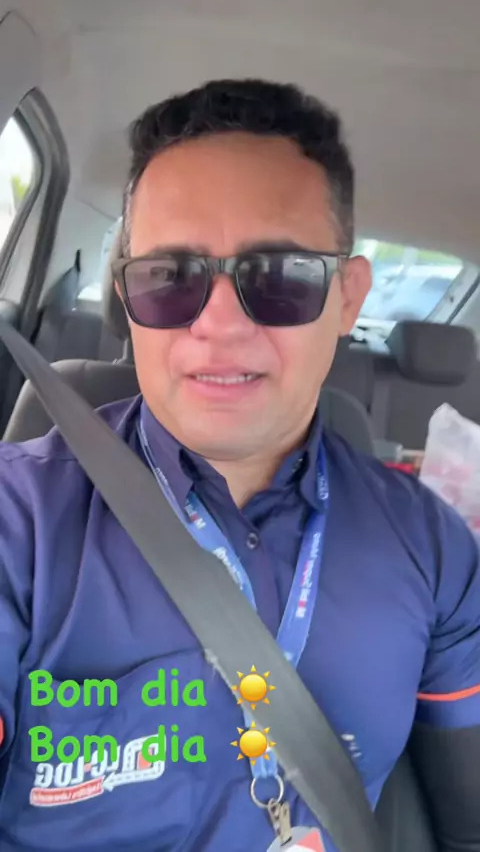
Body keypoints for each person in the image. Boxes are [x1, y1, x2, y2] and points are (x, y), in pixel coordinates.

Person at [0, 78, 479, 852]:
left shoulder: (435, 549)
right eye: (169, 278)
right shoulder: (17, 521)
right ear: (127, 299)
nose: (218, 324)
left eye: (281, 276)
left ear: (348, 297)